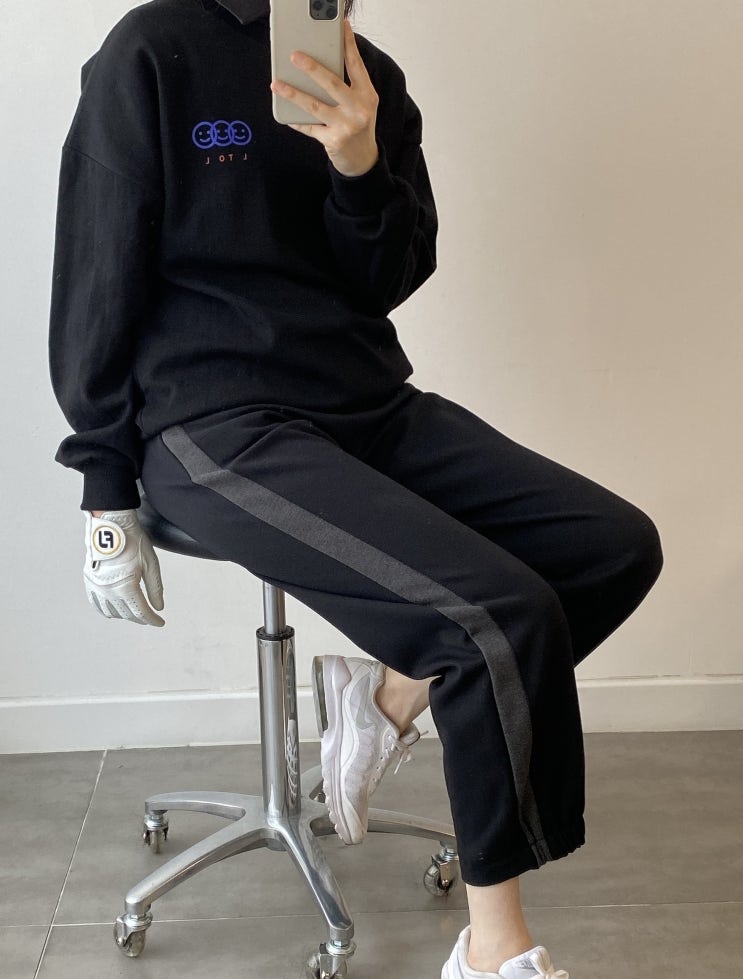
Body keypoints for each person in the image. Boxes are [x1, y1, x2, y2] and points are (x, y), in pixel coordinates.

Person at [48, 1, 664, 976]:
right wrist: (103, 482)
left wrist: (358, 161)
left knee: (611, 547)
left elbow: (388, 275)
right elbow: (96, 268)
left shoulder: (366, 77)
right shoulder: (152, 51)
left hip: (365, 402)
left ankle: (385, 696)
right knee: (491, 615)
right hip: (211, 421)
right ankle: (494, 947)